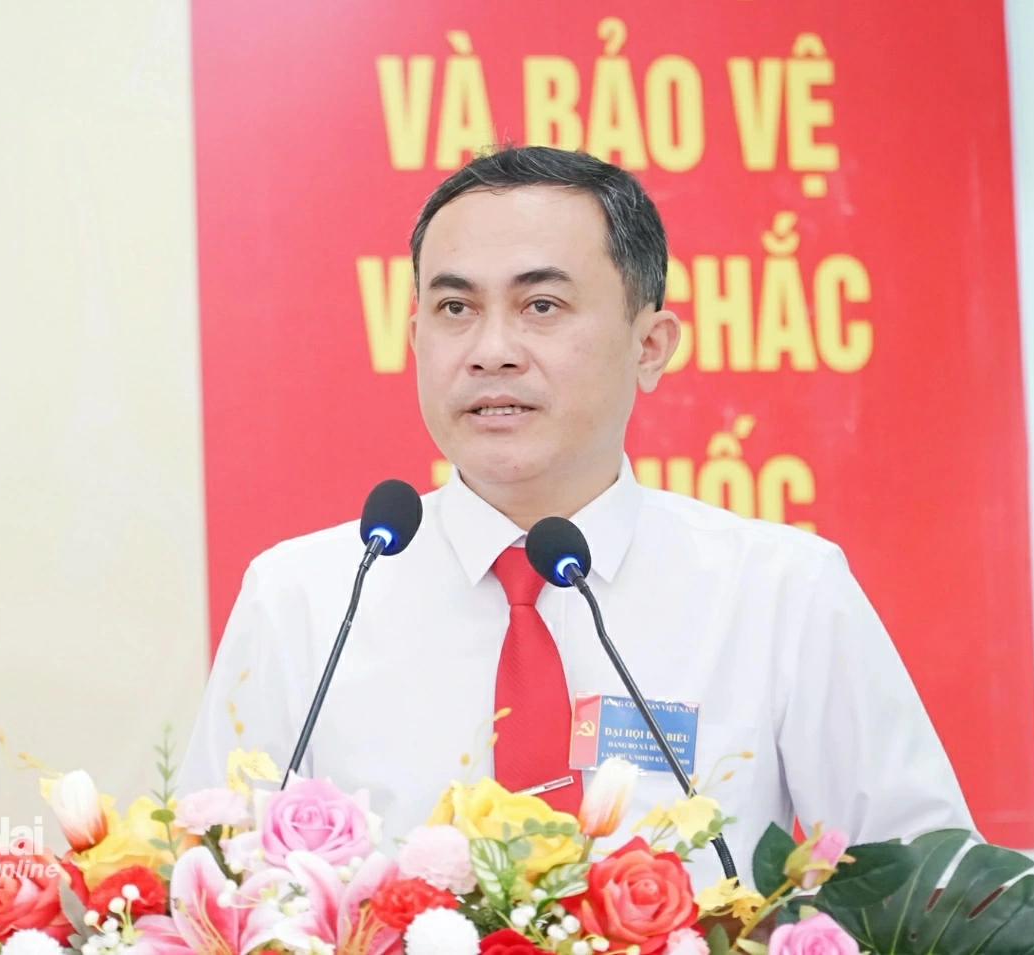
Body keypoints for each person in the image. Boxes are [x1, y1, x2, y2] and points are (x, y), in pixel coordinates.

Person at [175, 145, 973, 887]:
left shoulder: (780, 591)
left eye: (542, 305)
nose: (491, 349)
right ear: (415, 337)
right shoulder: (304, 598)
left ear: (650, 343)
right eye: (455, 309)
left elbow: (928, 894)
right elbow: (205, 888)